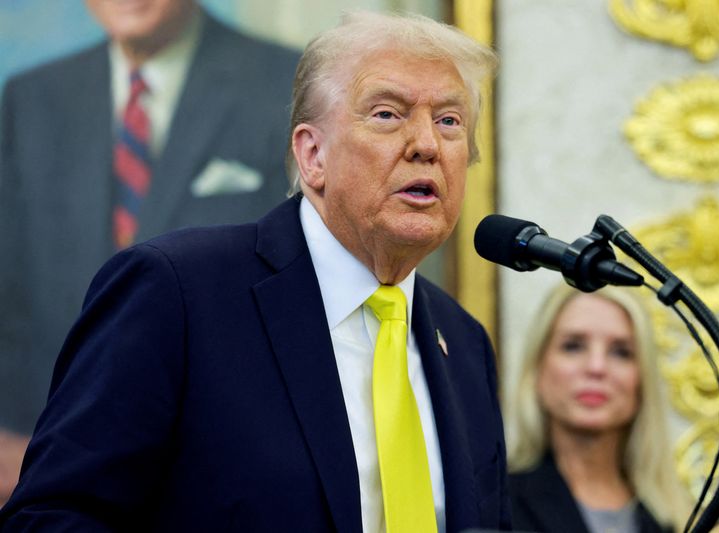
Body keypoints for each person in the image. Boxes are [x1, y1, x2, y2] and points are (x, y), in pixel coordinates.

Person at [0, 11, 510, 532]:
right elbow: (50, 518)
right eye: (387, 114)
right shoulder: (176, 293)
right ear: (312, 155)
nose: (426, 144)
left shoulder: (465, 346)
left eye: (449, 121)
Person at [0, 0, 299, 505]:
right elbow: (10, 292)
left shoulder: (286, 84)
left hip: (227, 465)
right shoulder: (31, 99)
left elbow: (300, 295)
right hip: (49, 462)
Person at [504, 284, 690, 533]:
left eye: (621, 352)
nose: (596, 367)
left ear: (642, 381)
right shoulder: (496, 504)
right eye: (573, 346)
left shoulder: (682, 517)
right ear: (538, 370)